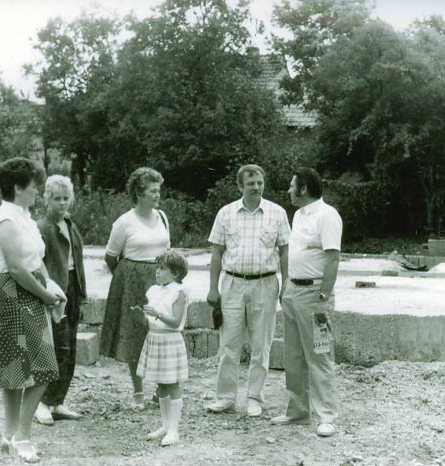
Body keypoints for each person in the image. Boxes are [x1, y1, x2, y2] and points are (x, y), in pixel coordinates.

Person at [0, 157, 65, 462]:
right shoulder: (5, 219)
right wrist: (45, 295)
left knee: (22, 368)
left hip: (30, 290)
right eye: (33, 187)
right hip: (13, 293)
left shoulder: (24, 216)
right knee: (37, 368)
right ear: (18, 188)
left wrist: (50, 285)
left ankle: (11, 434)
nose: (37, 192)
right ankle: (22, 434)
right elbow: (16, 268)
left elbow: (35, 259)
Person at [205, 164, 290, 417]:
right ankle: (226, 398)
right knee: (229, 345)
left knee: (261, 344)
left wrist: (285, 285)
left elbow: (285, 251)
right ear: (240, 186)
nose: (255, 187)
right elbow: (217, 252)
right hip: (232, 284)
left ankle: (255, 397)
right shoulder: (226, 213)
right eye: (250, 183)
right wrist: (212, 288)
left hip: (265, 283)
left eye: (259, 183)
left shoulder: (277, 213)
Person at [271, 167, 342, 437]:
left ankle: (326, 416)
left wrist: (324, 298)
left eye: (292, 186)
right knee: (294, 355)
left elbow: (333, 259)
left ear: (304, 188)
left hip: (314, 296)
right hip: (293, 292)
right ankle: (298, 411)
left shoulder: (328, 216)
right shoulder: (298, 215)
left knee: (320, 355)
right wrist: (286, 284)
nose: (288, 190)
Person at [100, 167, 170, 410]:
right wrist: (128, 279)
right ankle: (138, 392)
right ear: (139, 193)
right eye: (152, 191)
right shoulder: (124, 222)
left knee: (162, 332)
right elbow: (110, 257)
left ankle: (160, 391)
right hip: (132, 283)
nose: (157, 195)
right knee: (135, 337)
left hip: (160, 282)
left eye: (158, 190)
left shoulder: (162, 217)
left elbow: (167, 251)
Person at [34, 175, 88, 425]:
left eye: (66, 198)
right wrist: (46, 292)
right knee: (54, 347)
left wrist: (82, 295)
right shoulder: (41, 227)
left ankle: (58, 400)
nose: (62, 203)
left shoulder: (70, 224)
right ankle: (41, 402)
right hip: (55, 293)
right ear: (47, 199)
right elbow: (37, 265)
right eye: (57, 199)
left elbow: (78, 263)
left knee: (69, 349)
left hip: (72, 292)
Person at [136, 250, 190, 446]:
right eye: (157, 268)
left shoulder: (179, 292)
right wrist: (144, 316)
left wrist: (157, 314)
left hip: (170, 340)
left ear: (175, 273)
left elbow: (175, 322)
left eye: (162, 269)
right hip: (155, 338)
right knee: (161, 384)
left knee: (173, 384)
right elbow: (150, 319)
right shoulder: (154, 290)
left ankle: (174, 430)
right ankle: (165, 426)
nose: (157, 272)